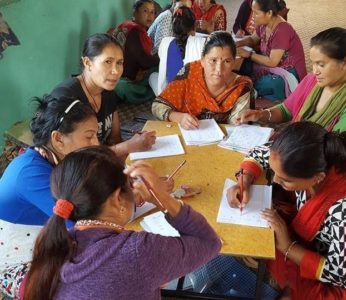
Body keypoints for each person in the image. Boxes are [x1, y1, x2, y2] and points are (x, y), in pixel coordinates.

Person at [23, 146, 222, 300]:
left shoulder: (52, 245)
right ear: (118, 199)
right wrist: (163, 197)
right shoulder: (138, 252)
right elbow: (210, 242)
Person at [227, 121, 346, 299]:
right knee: (264, 238)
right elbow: (259, 153)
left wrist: (288, 247)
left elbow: (344, 276)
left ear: (318, 178)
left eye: (285, 179)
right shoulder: (313, 155)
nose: (276, 180)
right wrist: (244, 181)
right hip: (332, 240)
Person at [0, 96, 99, 299]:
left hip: (47, 244)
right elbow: (78, 223)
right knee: (89, 283)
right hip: (16, 264)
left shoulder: (55, 160)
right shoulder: (30, 174)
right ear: (58, 139)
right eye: (89, 136)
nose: (96, 143)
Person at [237, 27, 346, 143]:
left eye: (321, 64)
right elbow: (286, 110)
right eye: (313, 63)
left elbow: (336, 153)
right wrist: (261, 115)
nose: (315, 71)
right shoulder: (312, 80)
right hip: (296, 148)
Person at [51, 33, 156, 157]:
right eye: (108, 62)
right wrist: (127, 147)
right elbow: (75, 158)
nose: (116, 71)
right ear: (87, 63)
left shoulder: (106, 90)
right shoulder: (66, 97)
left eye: (119, 63)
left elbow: (115, 138)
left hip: (103, 162)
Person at [152, 31, 253, 129]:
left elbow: (237, 129)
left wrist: (240, 122)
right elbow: (157, 106)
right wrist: (179, 117)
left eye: (227, 61)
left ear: (234, 62)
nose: (219, 69)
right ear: (203, 61)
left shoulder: (241, 86)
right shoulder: (190, 72)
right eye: (213, 60)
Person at [236, 0, 306, 101]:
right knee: (243, 66)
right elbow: (252, 39)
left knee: (271, 84)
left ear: (269, 13)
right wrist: (236, 43)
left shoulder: (282, 30)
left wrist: (249, 54)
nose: (253, 16)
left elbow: (272, 62)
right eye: (253, 12)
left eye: (256, 13)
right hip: (270, 65)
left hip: (287, 71)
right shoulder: (263, 23)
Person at [149, 5, 207, 95]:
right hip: (193, 96)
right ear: (194, 26)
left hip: (171, 96)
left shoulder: (165, 42)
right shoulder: (202, 43)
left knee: (152, 76)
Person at [112, 0, 159, 104]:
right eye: (145, 11)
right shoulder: (134, 31)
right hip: (123, 78)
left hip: (127, 74)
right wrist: (162, 60)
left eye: (152, 12)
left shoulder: (128, 25)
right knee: (159, 70)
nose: (150, 16)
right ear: (135, 13)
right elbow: (143, 60)